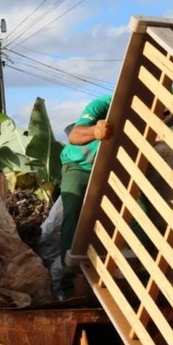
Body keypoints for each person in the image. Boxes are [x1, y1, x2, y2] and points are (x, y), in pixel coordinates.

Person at [58, 94, 114, 268]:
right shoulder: (103, 104)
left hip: (108, 168)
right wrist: (95, 131)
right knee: (73, 209)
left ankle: (141, 271)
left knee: (138, 211)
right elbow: (74, 135)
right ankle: (68, 275)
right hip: (79, 164)